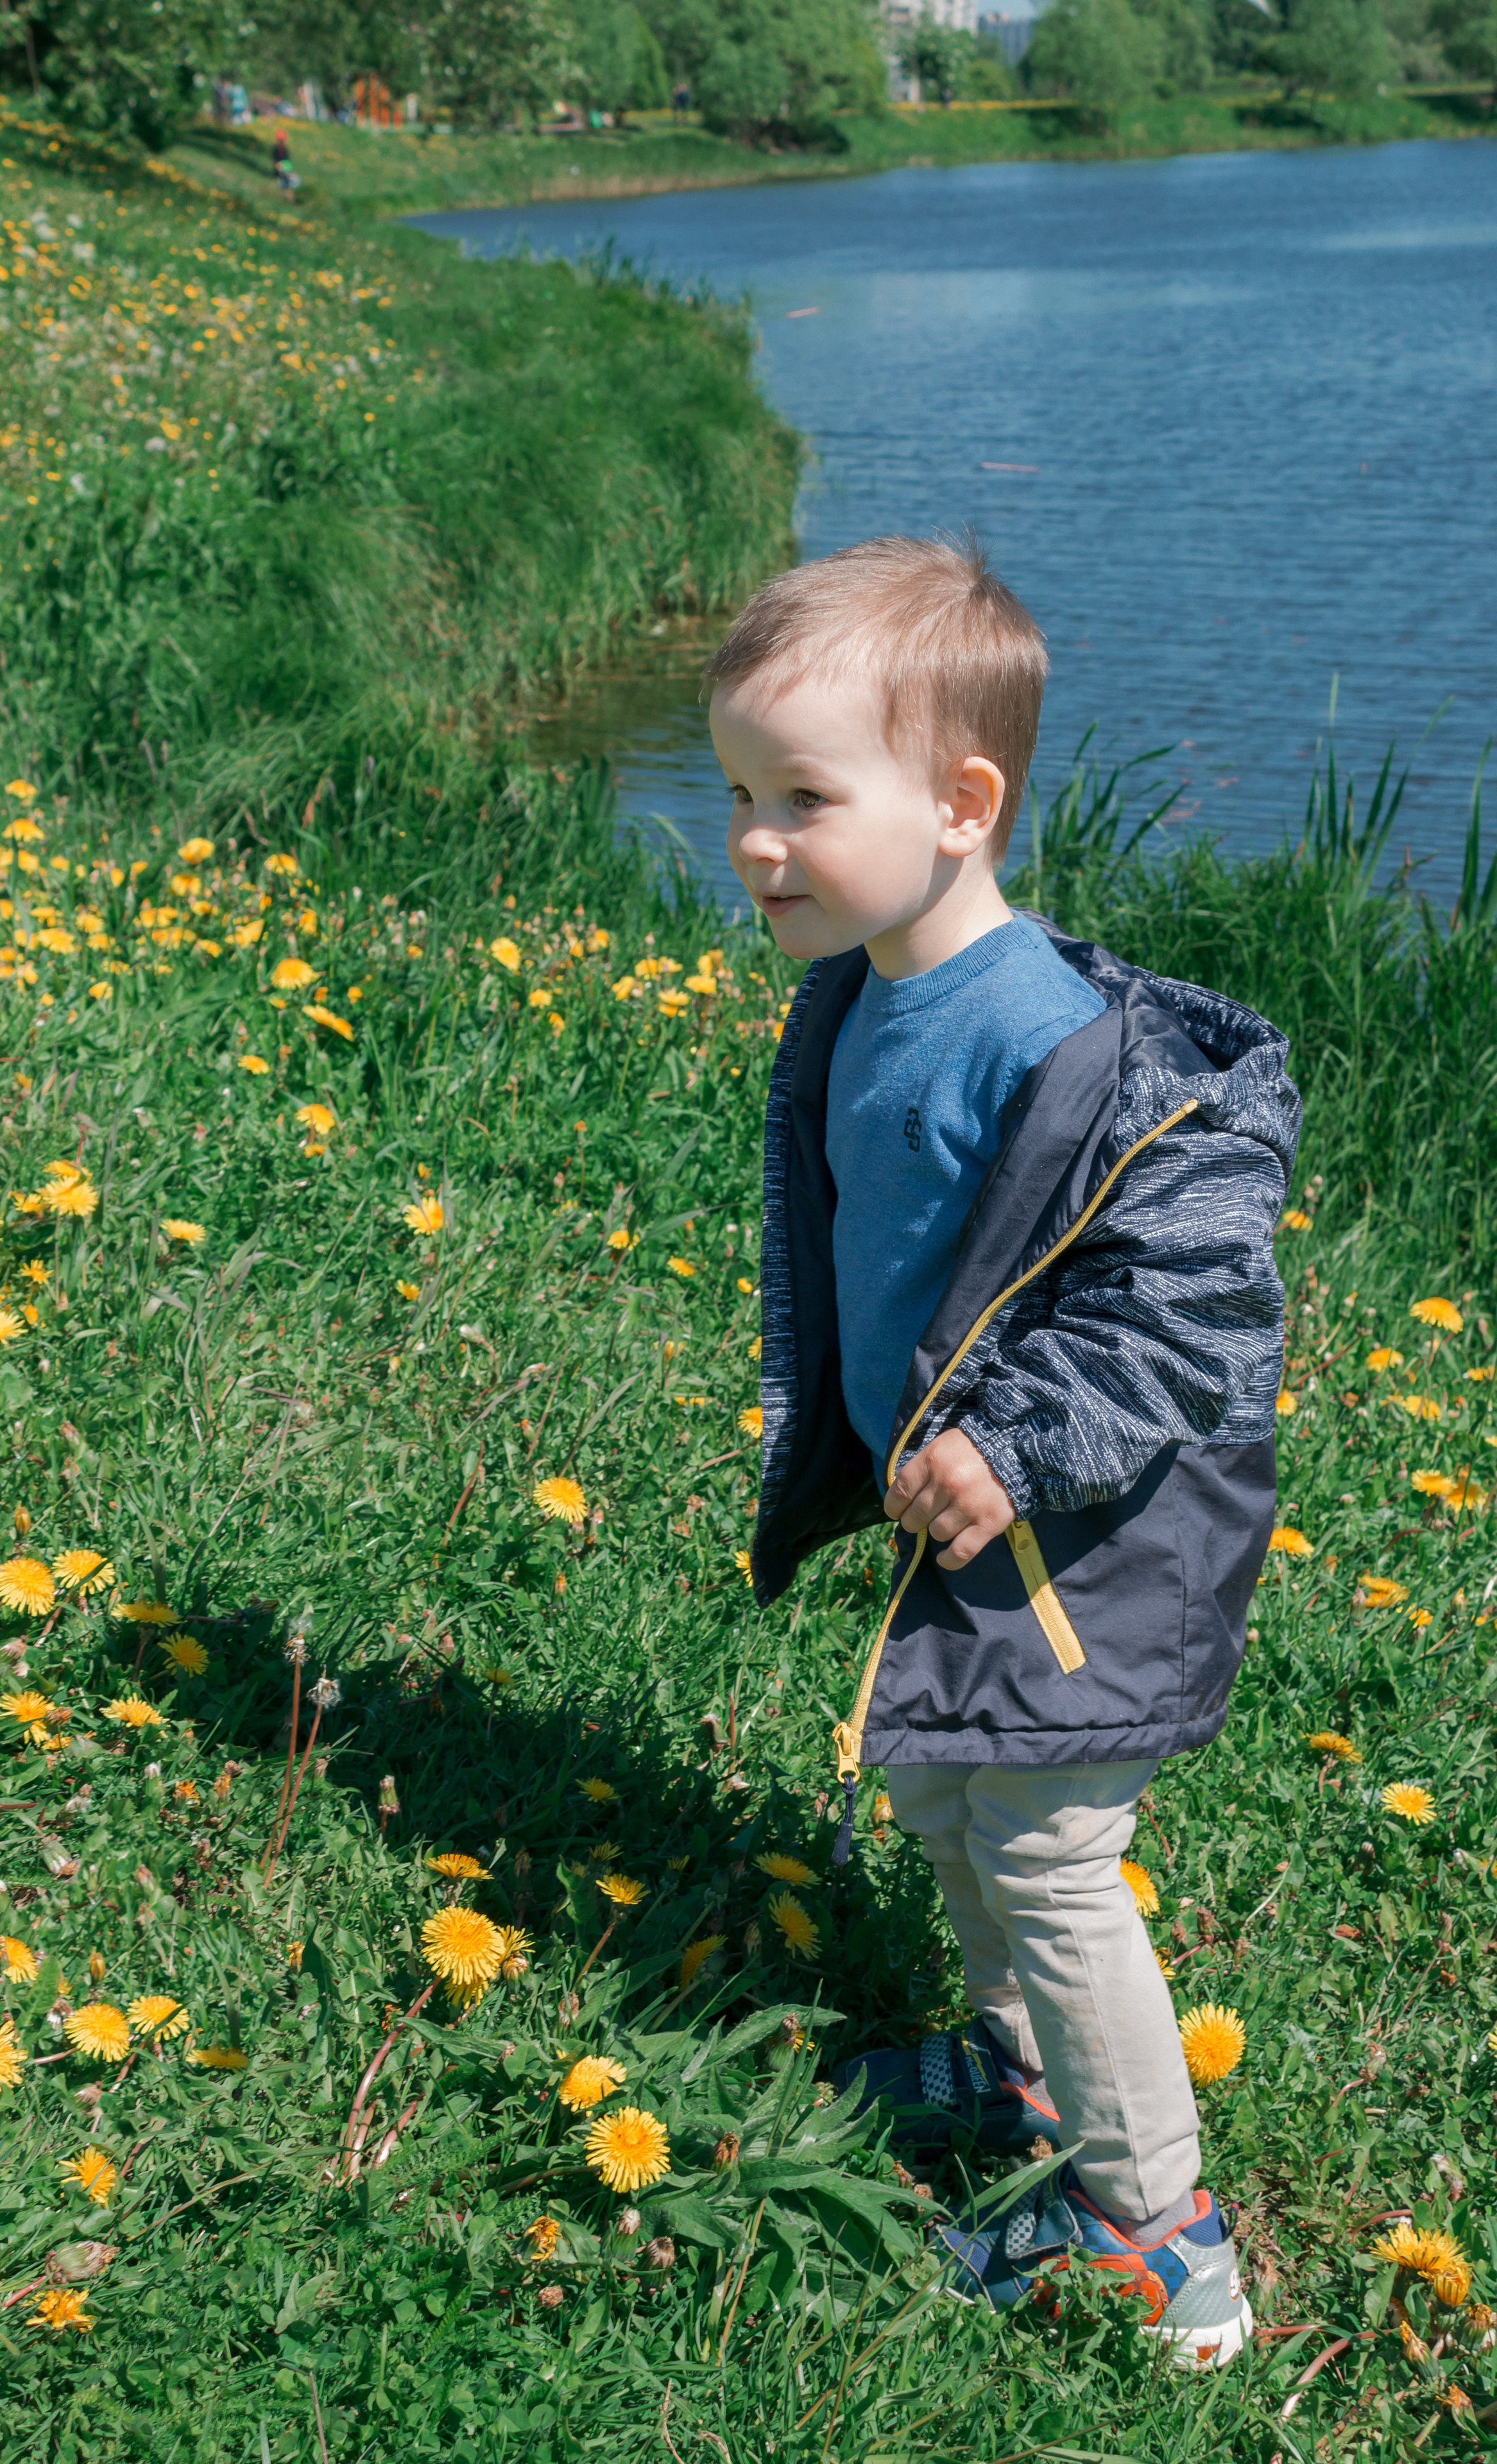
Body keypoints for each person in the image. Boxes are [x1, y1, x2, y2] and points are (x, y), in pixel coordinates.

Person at [706, 535, 1296, 2368]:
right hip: (967, 1513)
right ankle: (1018, 2072)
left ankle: (1159, 2234)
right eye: (739, 795)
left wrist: (1020, 1447)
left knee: (1047, 1844)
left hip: (1079, 1531)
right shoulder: (873, 984)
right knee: (956, 1792)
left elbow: (1177, 1310)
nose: (751, 842)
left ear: (964, 805)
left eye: (801, 798)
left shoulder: (1064, 1047)